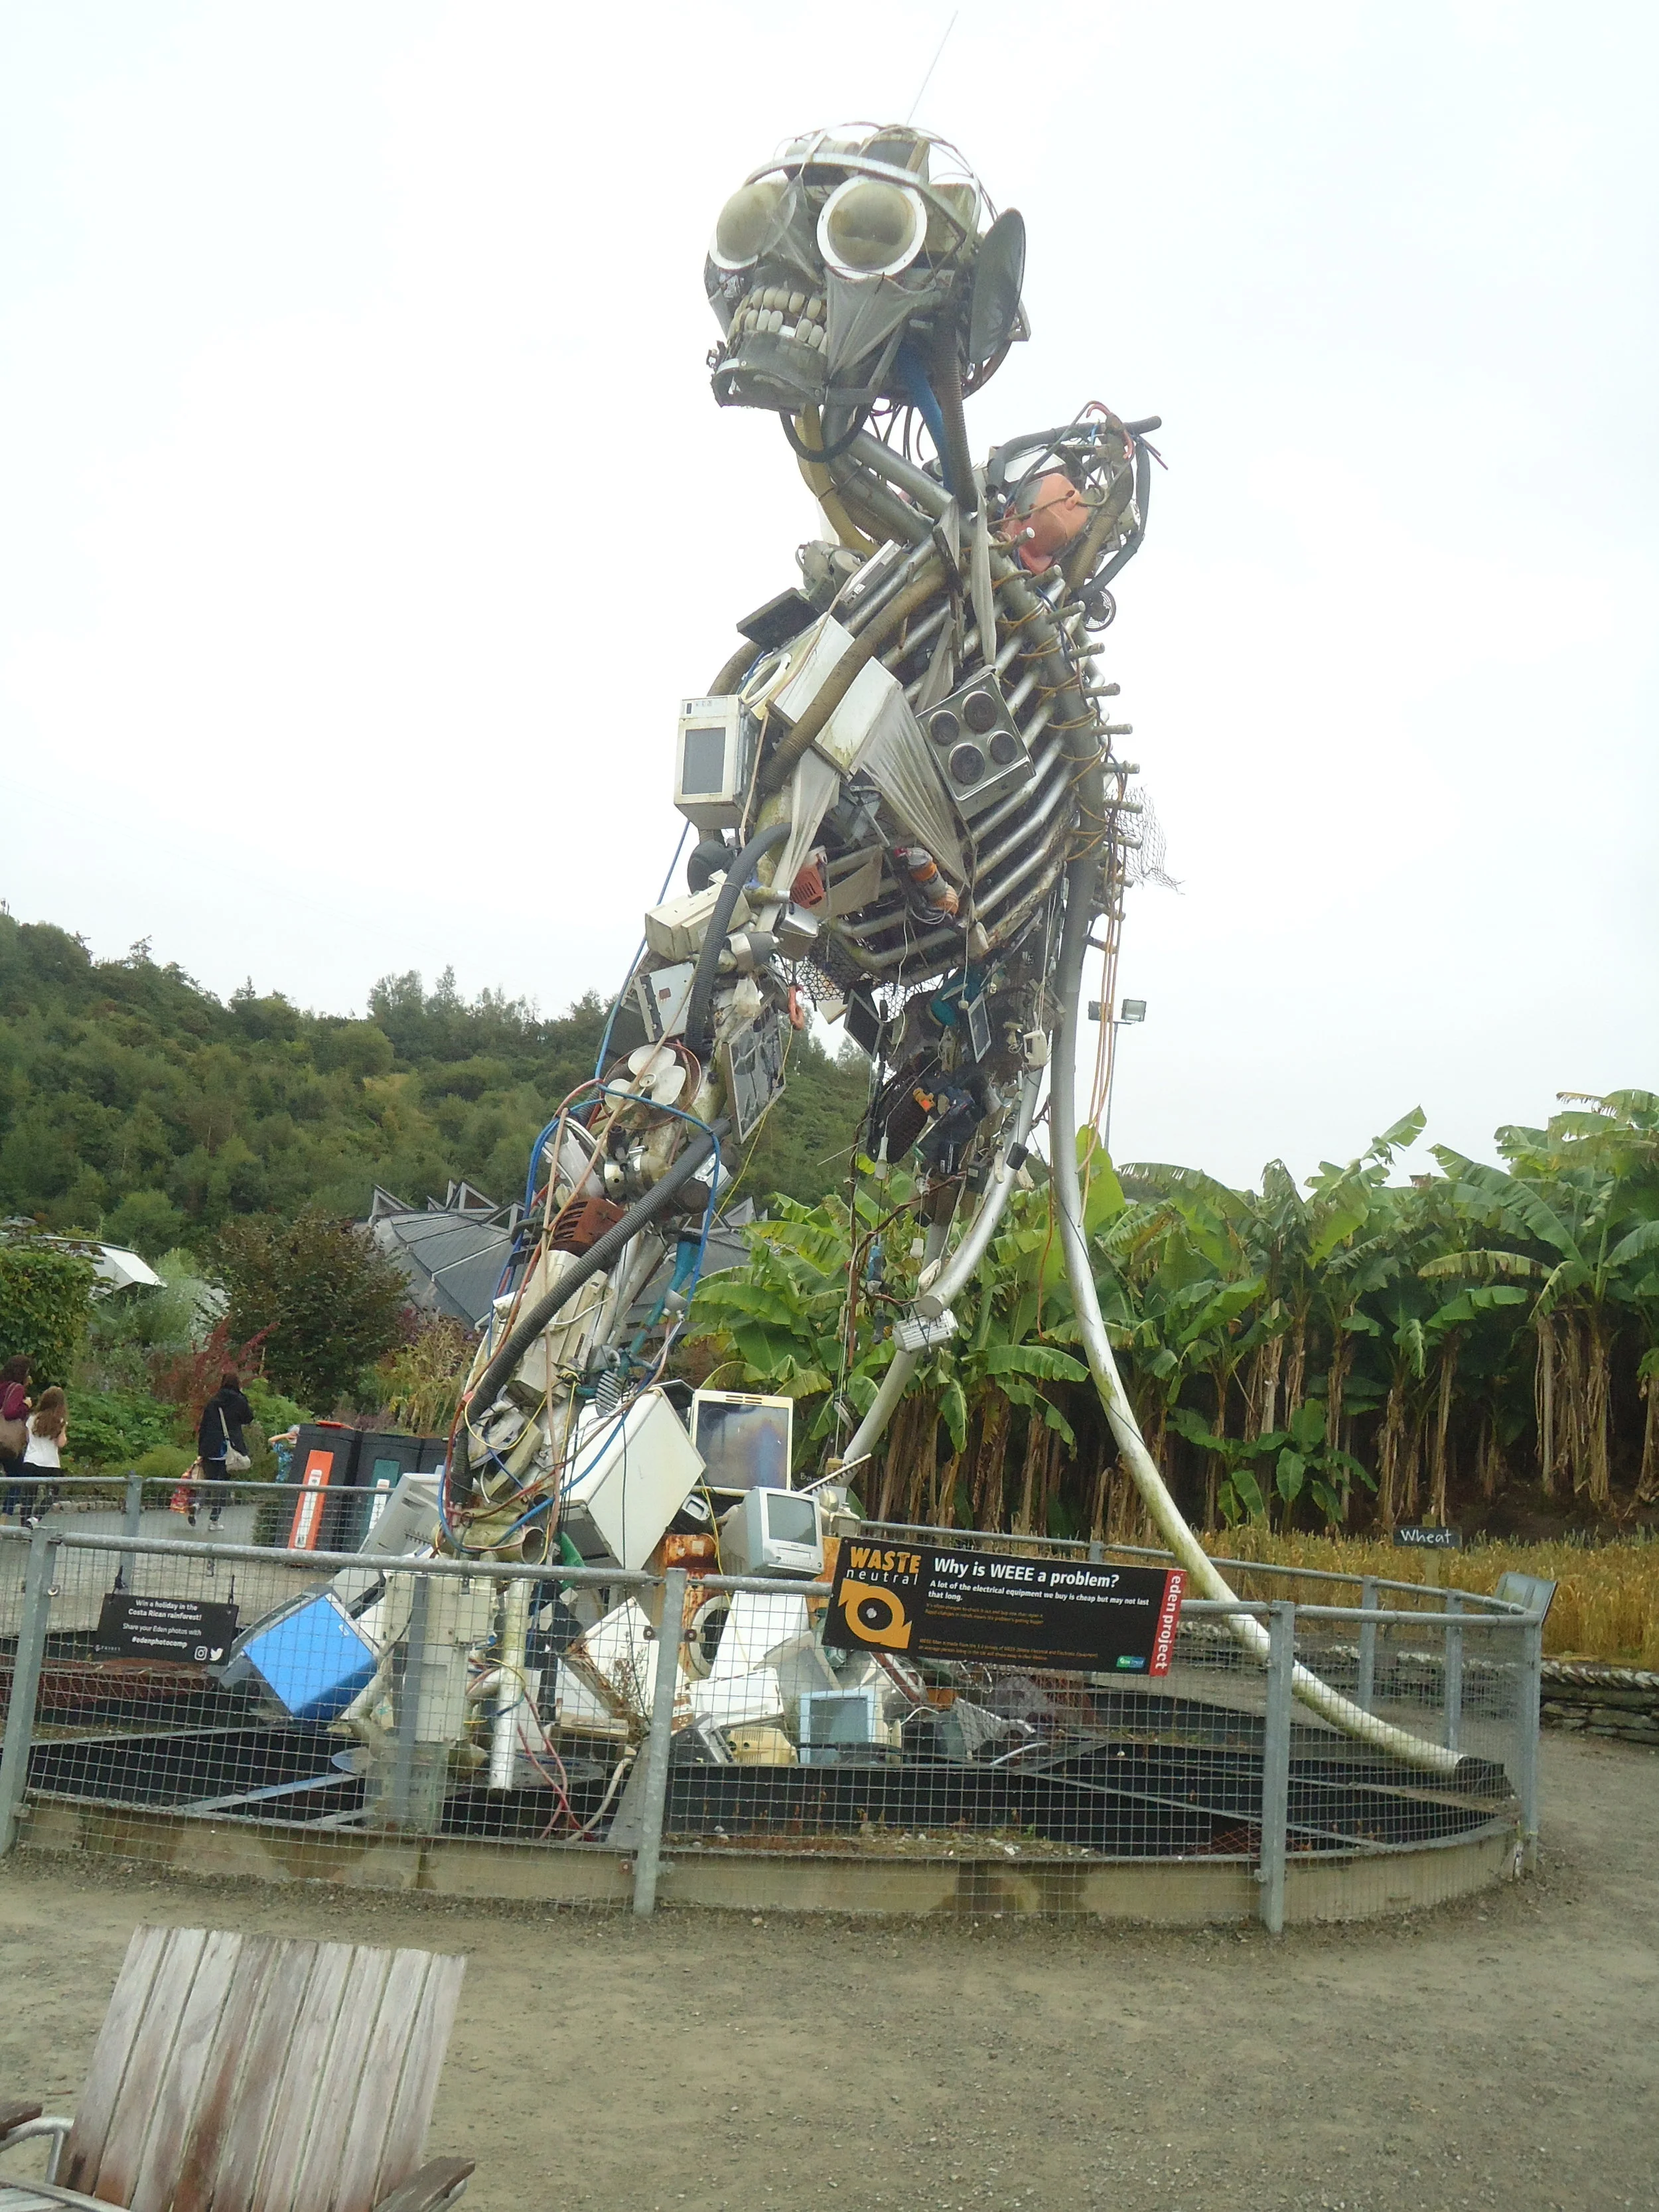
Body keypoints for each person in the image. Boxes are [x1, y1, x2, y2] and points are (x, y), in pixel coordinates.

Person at [194, 1370, 255, 1528]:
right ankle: (214, 1520)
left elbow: (204, 1426)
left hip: (210, 1446)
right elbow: (248, 1418)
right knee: (222, 1483)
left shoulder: (213, 1401)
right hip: (229, 1448)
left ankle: (197, 1504)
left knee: (208, 1479)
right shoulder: (239, 1400)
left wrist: (201, 1450)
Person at [21, 1386, 66, 1527]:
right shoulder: (59, 1421)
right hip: (51, 1463)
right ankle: (35, 1518)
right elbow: (61, 1443)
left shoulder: (32, 1419)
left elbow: (27, 1438)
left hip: (31, 1460)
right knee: (53, 1493)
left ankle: (24, 1526)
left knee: (28, 1496)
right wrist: (63, 1430)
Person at [0, 1355, 31, 1519]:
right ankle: (5, 1515)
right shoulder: (17, 1388)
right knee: (18, 1477)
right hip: (6, 1439)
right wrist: (26, 1406)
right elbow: (10, 1412)